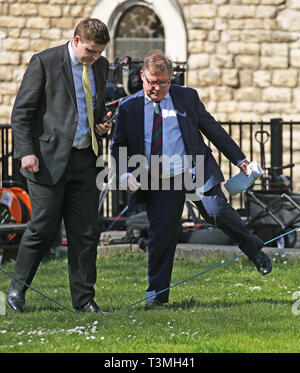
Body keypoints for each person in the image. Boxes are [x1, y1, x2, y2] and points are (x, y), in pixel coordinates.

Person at [111, 50, 272, 307]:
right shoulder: (128, 107)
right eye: (152, 82)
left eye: (163, 83)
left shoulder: (186, 98)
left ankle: (254, 251)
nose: (157, 88)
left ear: (171, 79)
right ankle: (157, 298)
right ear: (142, 77)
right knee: (161, 235)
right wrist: (125, 173)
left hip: (194, 168)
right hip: (160, 179)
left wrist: (240, 160)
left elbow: (213, 130)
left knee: (217, 210)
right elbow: (118, 145)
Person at [7, 18, 112, 313]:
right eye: (91, 51)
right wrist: (26, 152)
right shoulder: (44, 62)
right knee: (43, 228)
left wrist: (102, 124)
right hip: (45, 161)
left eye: (100, 53)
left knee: (86, 232)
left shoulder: (101, 67)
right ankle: (17, 289)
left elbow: (97, 108)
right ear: (76, 40)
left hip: (85, 158)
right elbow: (22, 113)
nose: (95, 58)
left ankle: (84, 300)